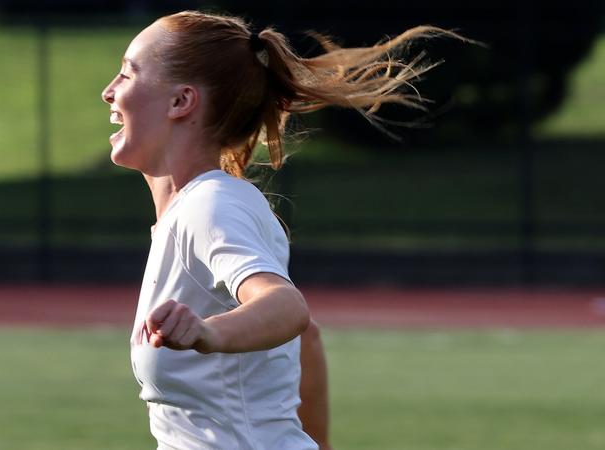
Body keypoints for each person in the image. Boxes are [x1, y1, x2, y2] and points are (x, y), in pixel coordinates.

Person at [101, 10, 468, 450]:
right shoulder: (192, 209)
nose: (108, 91)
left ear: (181, 101)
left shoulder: (209, 204)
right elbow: (305, 337)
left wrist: (210, 333)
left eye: (127, 73)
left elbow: (286, 308)